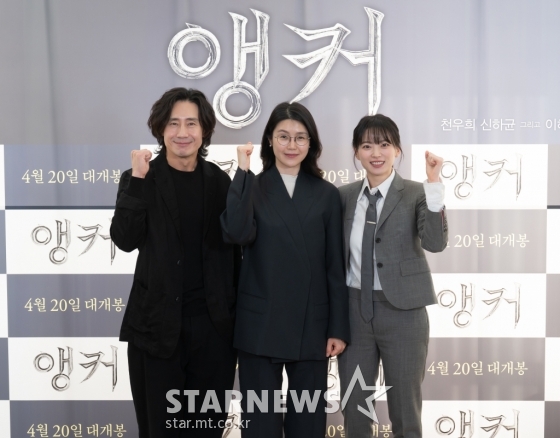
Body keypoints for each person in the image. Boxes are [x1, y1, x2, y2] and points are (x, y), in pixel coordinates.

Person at [110, 87, 239, 438]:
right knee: (159, 430)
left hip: (213, 331)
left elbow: (234, 256)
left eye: (191, 123)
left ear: (204, 130)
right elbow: (124, 240)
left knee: (206, 429)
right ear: (160, 129)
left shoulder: (220, 181)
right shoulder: (139, 178)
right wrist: (138, 181)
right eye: (173, 123)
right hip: (156, 328)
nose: (183, 132)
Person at [220, 102, 350, 438]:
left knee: (307, 426)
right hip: (259, 324)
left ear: (311, 143)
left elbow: (335, 266)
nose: (292, 145)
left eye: (300, 137)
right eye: (283, 136)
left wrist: (337, 327)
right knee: (259, 426)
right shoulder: (253, 185)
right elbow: (235, 232)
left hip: (312, 326)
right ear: (270, 140)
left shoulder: (326, 194)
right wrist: (243, 171)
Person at [337, 114, 448, 438]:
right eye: (366, 145)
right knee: (355, 407)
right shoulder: (342, 196)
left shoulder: (416, 193)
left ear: (397, 150)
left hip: (405, 314)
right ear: (356, 152)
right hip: (354, 313)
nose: (376, 153)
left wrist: (434, 184)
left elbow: (435, 243)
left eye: (384, 144)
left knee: (405, 409)